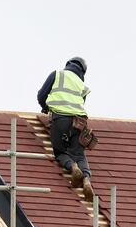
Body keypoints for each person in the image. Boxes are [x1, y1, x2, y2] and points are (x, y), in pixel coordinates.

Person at [37, 57, 94, 200]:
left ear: (68, 65)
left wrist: (45, 108)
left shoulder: (57, 74)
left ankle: (72, 167)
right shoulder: (82, 85)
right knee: (79, 153)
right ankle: (86, 179)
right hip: (79, 122)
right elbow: (80, 104)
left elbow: (41, 96)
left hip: (60, 119)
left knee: (60, 152)